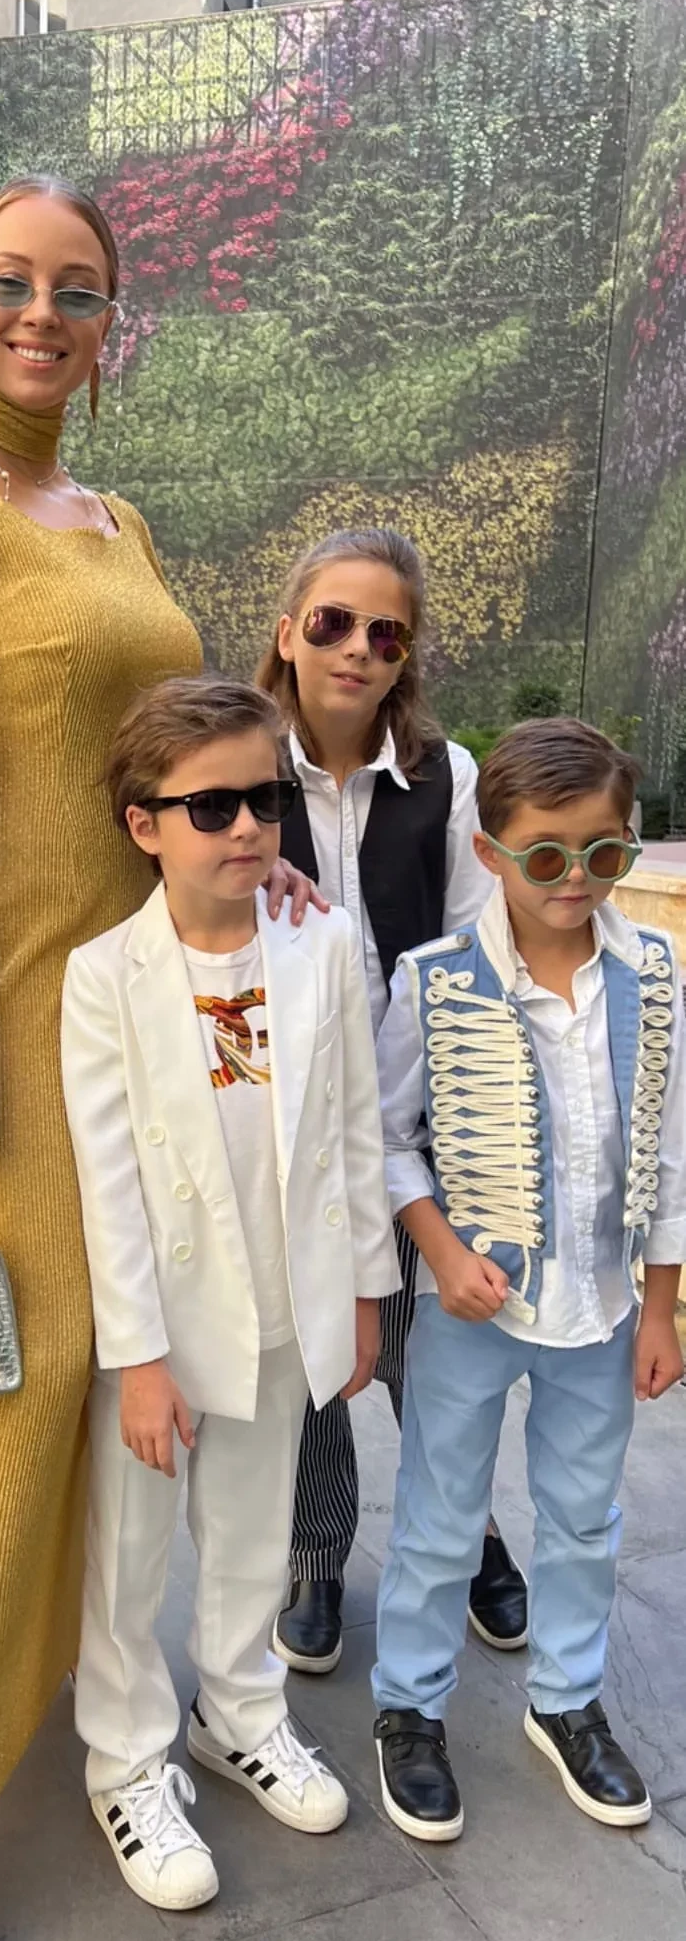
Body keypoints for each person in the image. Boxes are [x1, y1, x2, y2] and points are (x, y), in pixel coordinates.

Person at [0, 175, 319, 1941]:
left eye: (80, 291)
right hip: (22, 1011)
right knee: (35, 1382)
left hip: (151, 994)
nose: (44, 314)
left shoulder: (117, 519)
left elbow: (169, 752)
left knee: (150, 1351)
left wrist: (252, 853)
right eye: (13, 283)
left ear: (112, 323)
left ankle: (72, 1693)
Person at [61, 679, 401, 1910]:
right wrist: (139, 1357)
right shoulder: (105, 975)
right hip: (166, 1319)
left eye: (264, 798)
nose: (248, 825)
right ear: (144, 823)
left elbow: (355, 1127)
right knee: (129, 1550)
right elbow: (108, 1181)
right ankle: (126, 1757)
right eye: (212, 806)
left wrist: (364, 1292)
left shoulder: (322, 941)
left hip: (286, 1300)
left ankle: (241, 1711)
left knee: (256, 1529)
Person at [372, 717, 685, 1841]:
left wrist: (661, 1307)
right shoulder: (433, 979)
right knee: (440, 1517)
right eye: (546, 853)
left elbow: (671, 1149)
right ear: (490, 849)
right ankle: (410, 1706)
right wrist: (440, 1250)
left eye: (605, 851)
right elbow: (387, 1138)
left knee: (585, 1517)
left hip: (600, 1306)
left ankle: (566, 1698)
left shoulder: (654, 972)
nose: (575, 878)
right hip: (473, 1304)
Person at [256, 529, 528, 1675]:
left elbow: (476, 949)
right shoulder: (240, 767)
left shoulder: (444, 774)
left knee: (435, 1350)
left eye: (387, 633)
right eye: (333, 622)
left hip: (422, 1107)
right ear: (289, 631)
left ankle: (469, 1531)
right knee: (318, 1347)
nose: (358, 648)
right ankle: (317, 1551)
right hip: (288, 1114)